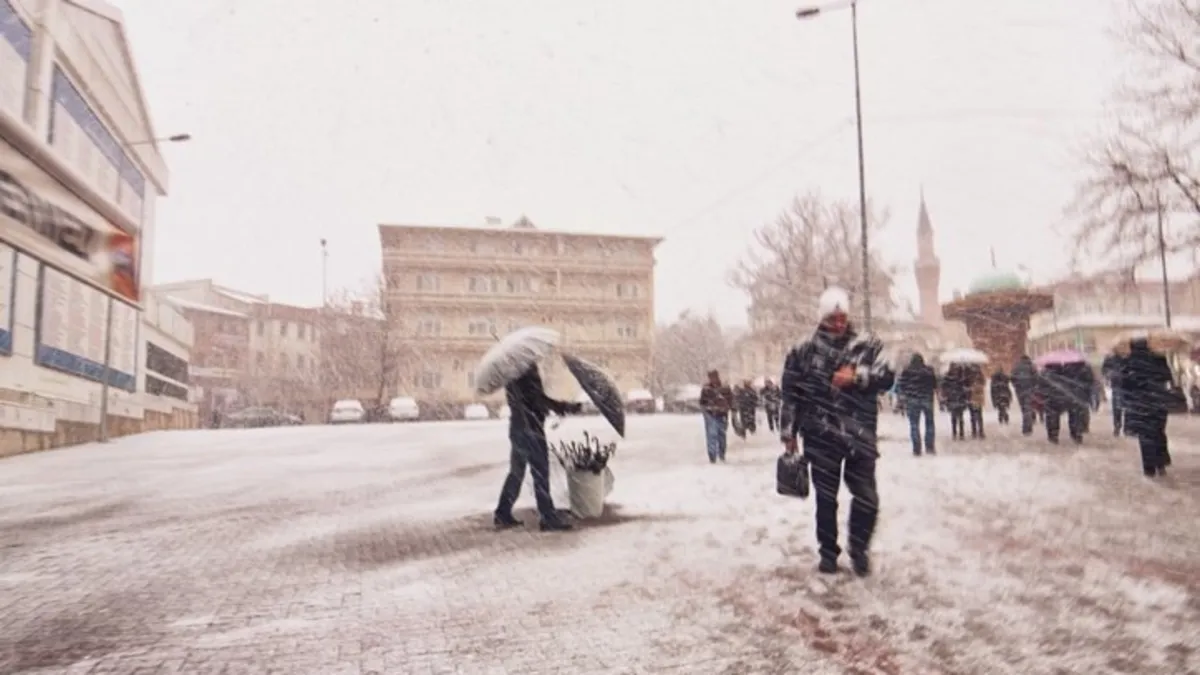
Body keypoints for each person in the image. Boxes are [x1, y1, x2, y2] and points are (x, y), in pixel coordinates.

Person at [780, 287, 894, 576]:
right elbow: (790, 393)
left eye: (842, 317)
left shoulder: (867, 345)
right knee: (826, 499)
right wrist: (789, 432)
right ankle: (828, 553)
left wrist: (857, 376)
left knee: (867, 498)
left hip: (860, 433)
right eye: (833, 318)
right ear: (823, 318)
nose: (839, 324)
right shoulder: (803, 350)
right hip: (820, 434)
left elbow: (888, 376)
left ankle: (859, 549)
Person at [494, 364, 582, 531]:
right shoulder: (526, 370)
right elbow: (537, 400)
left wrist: (557, 407)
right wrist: (563, 407)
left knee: (516, 473)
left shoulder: (512, 371)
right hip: (530, 429)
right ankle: (547, 517)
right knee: (540, 472)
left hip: (519, 427)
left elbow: (531, 400)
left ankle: (503, 512)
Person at [1120, 338, 1174, 477]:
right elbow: (1167, 376)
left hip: (1139, 404)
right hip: (1157, 401)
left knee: (1145, 436)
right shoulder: (1158, 359)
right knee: (1158, 432)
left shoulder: (1129, 363)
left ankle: (1149, 467)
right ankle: (1161, 463)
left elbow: (1124, 385)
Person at [897, 353, 937, 456]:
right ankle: (929, 446)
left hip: (912, 399)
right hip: (927, 399)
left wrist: (904, 396)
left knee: (914, 424)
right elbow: (934, 384)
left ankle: (916, 448)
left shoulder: (907, 371)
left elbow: (901, 385)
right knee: (929, 423)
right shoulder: (928, 370)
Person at [700, 370, 733, 463]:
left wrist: (726, 408)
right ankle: (712, 455)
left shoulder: (724, 388)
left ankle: (722, 454)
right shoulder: (706, 389)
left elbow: (730, 400)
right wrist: (707, 410)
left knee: (721, 435)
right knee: (712, 434)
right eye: (711, 377)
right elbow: (702, 402)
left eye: (714, 377)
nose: (712, 379)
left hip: (722, 414)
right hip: (711, 414)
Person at [1011, 355, 1038, 435]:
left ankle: (1026, 425)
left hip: (1020, 391)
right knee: (1028, 408)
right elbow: (1036, 378)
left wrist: (1017, 386)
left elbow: (1012, 378)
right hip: (1029, 390)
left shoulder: (1016, 367)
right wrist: (1033, 386)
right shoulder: (1031, 367)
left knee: (1023, 408)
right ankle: (1027, 428)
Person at [941, 364, 969, 440]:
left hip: (955, 398)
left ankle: (958, 433)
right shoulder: (960, 377)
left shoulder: (955, 377)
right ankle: (958, 433)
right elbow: (944, 387)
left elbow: (944, 387)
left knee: (957, 417)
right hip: (956, 398)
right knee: (957, 417)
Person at [1102, 353, 1127, 436]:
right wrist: (1109, 374)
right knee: (1117, 407)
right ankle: (1117, 426)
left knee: (1129, 408)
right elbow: (1104, 369)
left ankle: (1127, 427)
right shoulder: (1110, 358)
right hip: (1117, 385)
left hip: (1129, 385)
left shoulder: (1129, 356)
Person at [967, 365, 987, 439]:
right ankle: (980, 431)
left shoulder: (969, 376)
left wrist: (972, 388)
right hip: (977, 398)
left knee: (973, 416)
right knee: (978, 415)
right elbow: (983, 384)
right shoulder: (980, 376)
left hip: (973, 398)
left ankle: (975, 431)